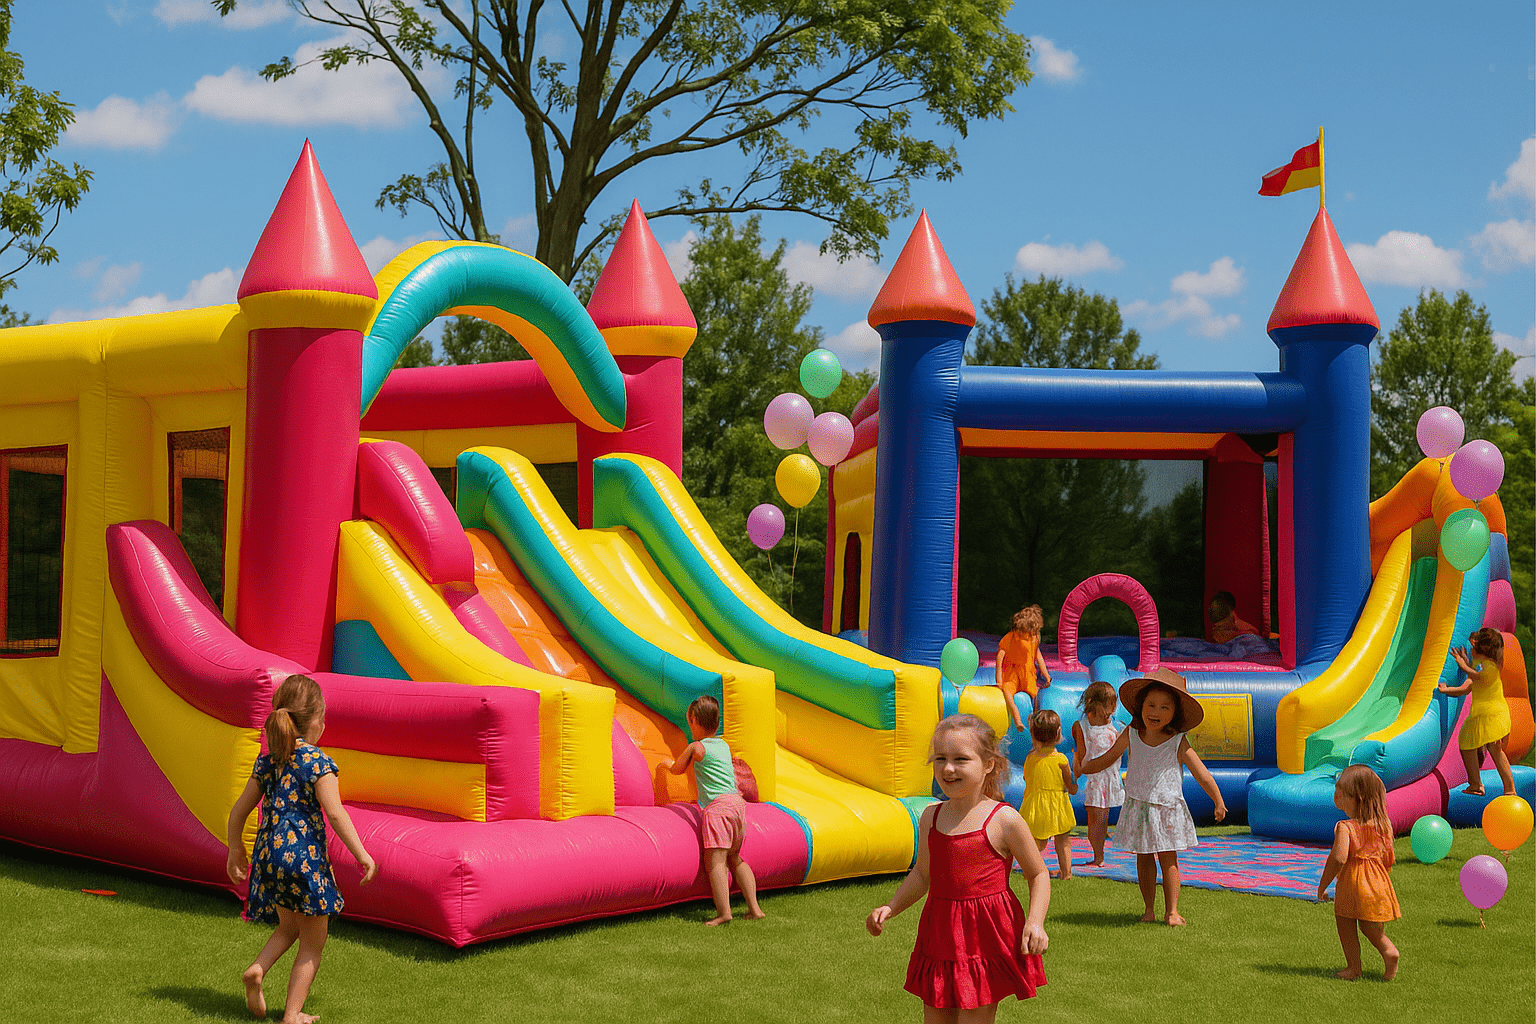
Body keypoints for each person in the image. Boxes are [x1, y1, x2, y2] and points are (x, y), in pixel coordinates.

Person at [867, 714, 1049, 1021]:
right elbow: (923, 874)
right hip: (940, 934)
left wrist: (1035, 921)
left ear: (988, 764)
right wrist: (892, 907)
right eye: (941, 758)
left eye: (961, 759)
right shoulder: (930, 817)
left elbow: (1038, 873)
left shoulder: (1004, 819)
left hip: (985, 937)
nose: (948, 768)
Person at [225, 675, 377, 1024]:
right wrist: (362, 855)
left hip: (271, 856)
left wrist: (236, 850)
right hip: (304, 860)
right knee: (313, 942)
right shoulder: (318, 762)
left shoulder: (268, 762)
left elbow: (238, 811)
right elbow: (335, 814)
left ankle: (257, 969)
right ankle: (292, 1014)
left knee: (289, 926)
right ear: (316, 722)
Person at [1076, 667, 1226, 926]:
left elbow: (1202, 773)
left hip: (1167, 806)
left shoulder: (1177, 740)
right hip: (1139, 805)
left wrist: (1218, 800)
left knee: (1168, 858)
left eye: (1164, 708)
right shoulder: (1132, 733)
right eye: (1151, 705)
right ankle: (1148, 909)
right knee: (1143, 857)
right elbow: (1109, 758)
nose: (1155, 712)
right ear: (1141, 706)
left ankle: (1172, 910)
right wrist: (1085, 768)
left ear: (1174, 714)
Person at [668, 695, 764, 925]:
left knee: (716, 862)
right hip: (737, 805)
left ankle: (724, 913)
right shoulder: (723, 745)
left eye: (689, 722)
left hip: (718, 808)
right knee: (735, 858)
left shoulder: (697, 747)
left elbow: (677, 770)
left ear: (694, 720)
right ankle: (755, 909)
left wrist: (667, 765)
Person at [1317, 764, 1401, 981]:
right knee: (1373, 928)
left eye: (1342, 794)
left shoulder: (1346, 827)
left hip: (1353, 883)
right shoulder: (1383, 825)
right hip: (1377, 882)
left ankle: (1354, 968)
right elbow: (1388, 857)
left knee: (1345, 922)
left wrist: (1323, 884)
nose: (1338, 797)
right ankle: (1388, 951)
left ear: (1358, 798)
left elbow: (1338, 858)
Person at [1440, 628, 1515, 797]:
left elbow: (1478, 676)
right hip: (1482, 716)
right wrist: (1446, 690)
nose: (1471, 652)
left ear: (1480, 649)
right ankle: (1475, 784)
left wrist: (1463, 664)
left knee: (1495, 750)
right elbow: (1465, 689)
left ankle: (1509, 789)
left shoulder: (1490, 668)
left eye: (1472, 649)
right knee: (1467, 742)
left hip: (1492, 715)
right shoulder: (1479, 667)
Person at [1020, 709, 1078, 879]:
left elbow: (1026, 778)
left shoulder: (1031, 758)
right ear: (1058, 733)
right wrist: (1073, 788)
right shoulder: (1061, 760)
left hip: (1036, 805)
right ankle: (1066, 873)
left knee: (1036, 842)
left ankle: (1031, 871)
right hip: (1057, 805)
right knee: (1062, 840)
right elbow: (1069, 784)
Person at [1072, 681, 1124, 866]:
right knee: (1096, 819)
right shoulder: (1083, 726)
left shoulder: (1115, 725)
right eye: (1111, 703)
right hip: (1096, 781)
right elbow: (1082, 754)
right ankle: (1098, 855)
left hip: (1112, 779)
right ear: (1098, 704)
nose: (1113, 708)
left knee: (1102, 818)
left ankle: (1099, 854)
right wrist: (1077, 771)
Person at [996, 605, 1051, 733]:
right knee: (1008, 693)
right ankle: (1017, 719)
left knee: (1035, 695)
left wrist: (1046, 674)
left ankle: (1036, 720)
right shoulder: (1011, 637)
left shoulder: (1034, 637)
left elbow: (1038, 656)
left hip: (1028, 673)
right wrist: (999, 679)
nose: (1025, 635)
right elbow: (1000, 657)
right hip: (1013, 673)